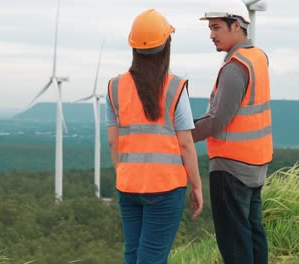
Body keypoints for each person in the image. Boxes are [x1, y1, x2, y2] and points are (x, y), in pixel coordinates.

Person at [106, 9, 203, 264]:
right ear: (166, 45)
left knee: (134, 254)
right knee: (152, 258)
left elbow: (113, 141)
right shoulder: (175, 87)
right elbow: (185, 144)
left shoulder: (114, 87)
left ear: (133, 47)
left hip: (128, 186)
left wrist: (125, 173)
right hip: (165, 187)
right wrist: (197, 185)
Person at [192, 1, 272, 263]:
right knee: (253, 233)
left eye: (216, 27)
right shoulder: (259, 58)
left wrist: (182, 133)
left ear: (236, 25)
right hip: (256, 164)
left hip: (232, 168)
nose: (211, 35)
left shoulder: (235, 68)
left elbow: (217, 120)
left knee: (235, 242)